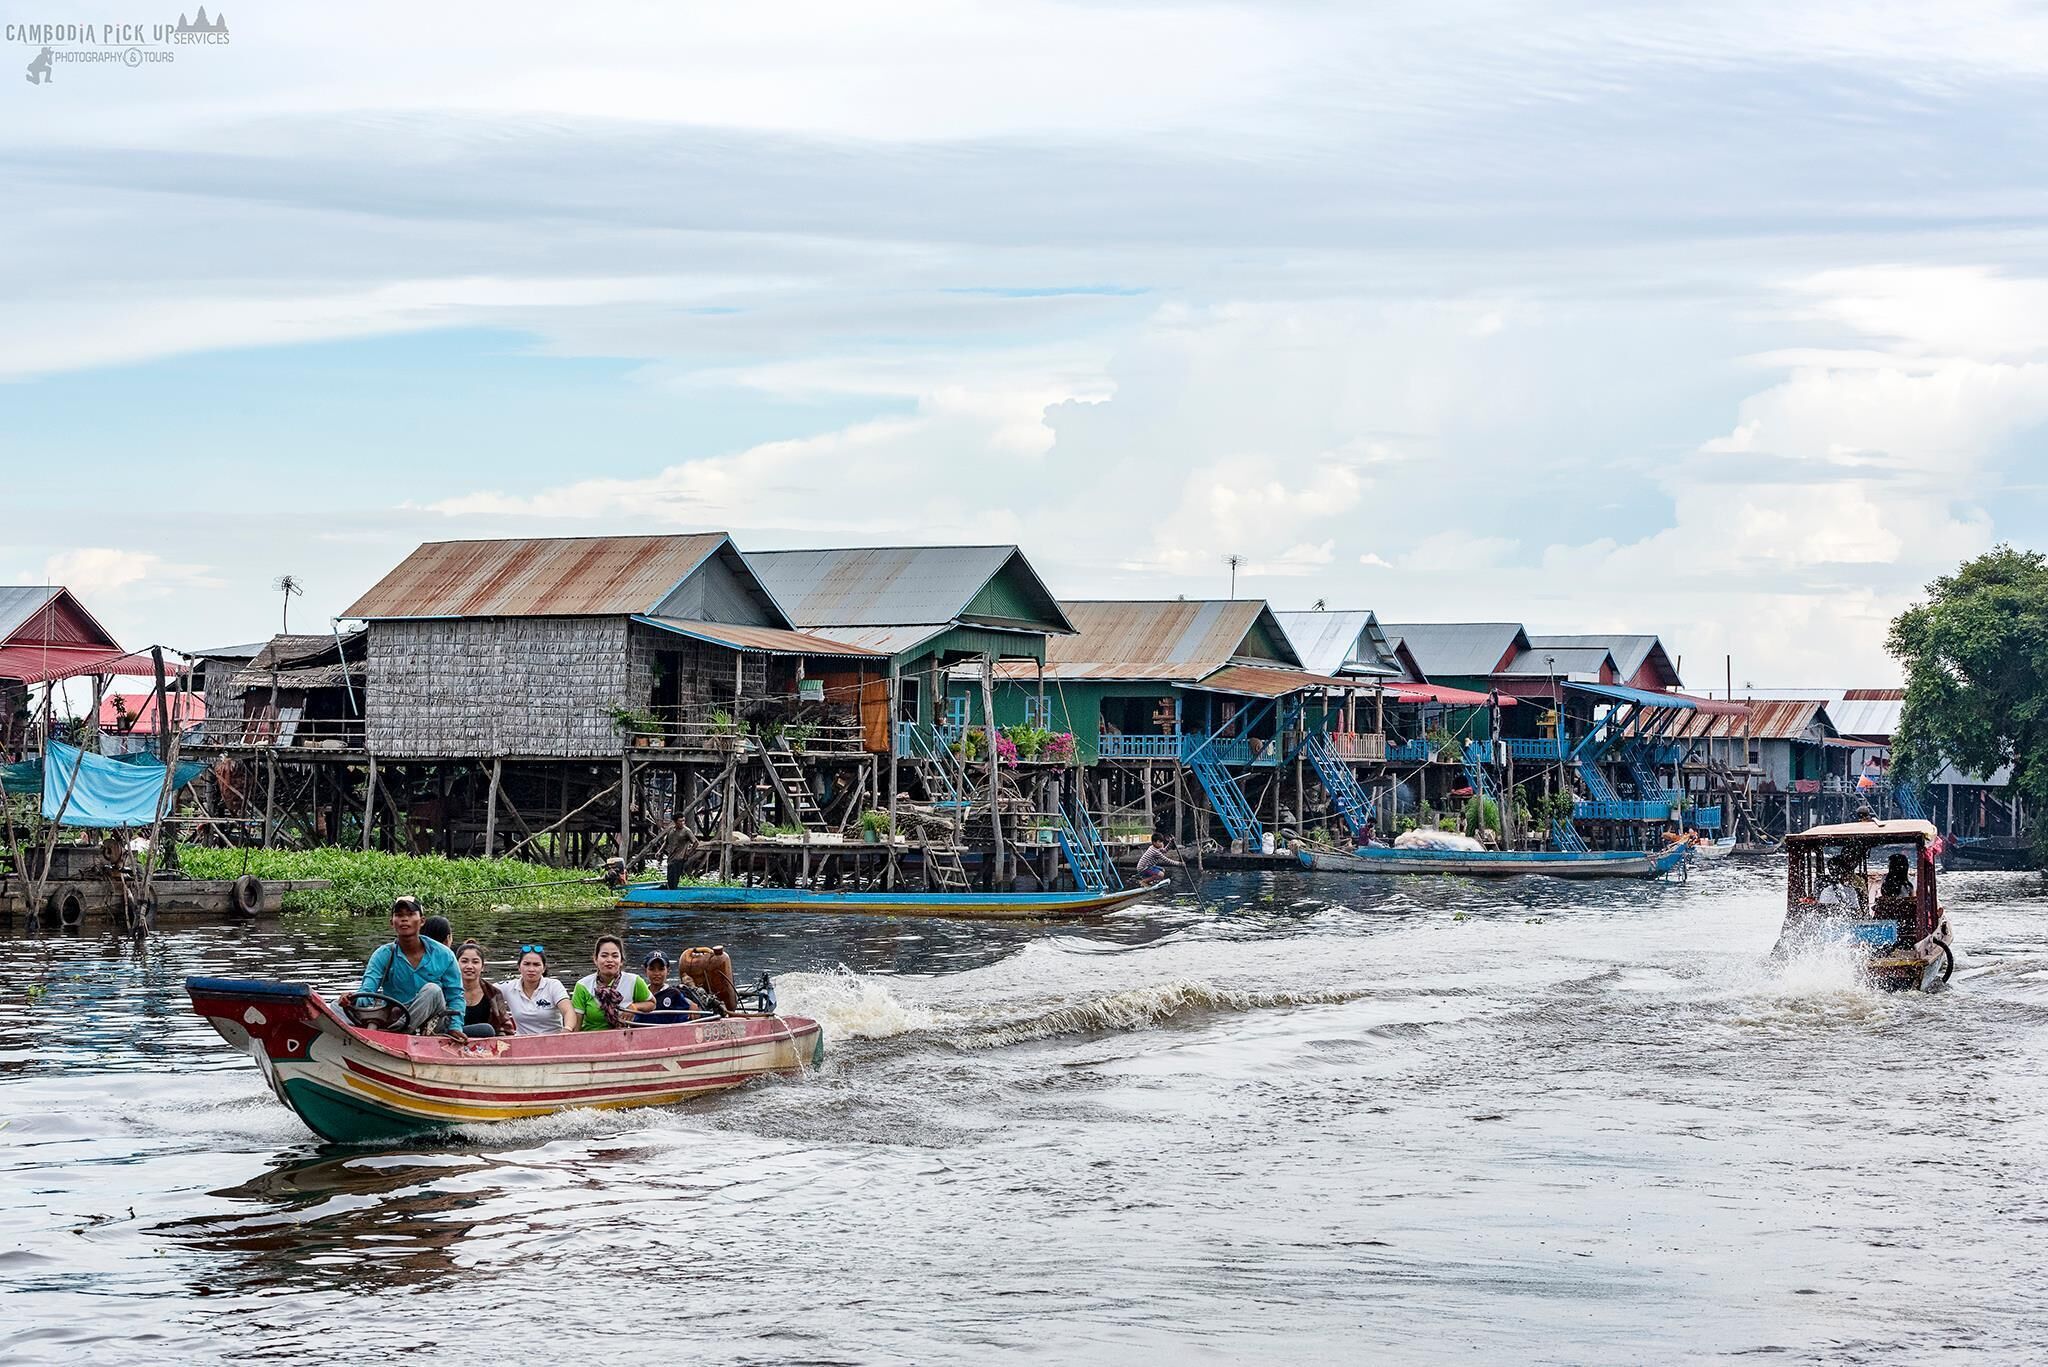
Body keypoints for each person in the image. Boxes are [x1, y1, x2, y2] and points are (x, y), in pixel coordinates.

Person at [359, 896, 465, 1035]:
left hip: (433, 1024)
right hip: (394, 1017)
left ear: (422, 921)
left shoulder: (444, 955)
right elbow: (367, 990)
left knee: (433, 990)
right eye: (399, 915)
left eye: (410, 914)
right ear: (392, 922)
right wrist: (350, 1001)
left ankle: (401, 1031)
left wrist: (455, 1027)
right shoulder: (382, 955)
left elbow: (456, 996)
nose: (404, 919)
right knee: (337, 1006)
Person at [571, 934, 653, 1029]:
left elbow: (651, 1004)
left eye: (615, 956)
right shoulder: (583, 985)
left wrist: (634, 1007)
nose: (609, 960)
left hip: (624, 1038)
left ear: (621, 960)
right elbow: (576, 1026)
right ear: (595, 959)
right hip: (591, 1038)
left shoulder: (634, 981)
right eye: (604, 956)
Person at [499, 944, 577, 1035]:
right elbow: (482, 989)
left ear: (544, 968)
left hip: (553, 1042)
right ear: (519, 967)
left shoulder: (554, 985)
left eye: (536, 965)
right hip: (521, 1043)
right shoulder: (508, 987)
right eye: (526, 964)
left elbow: (568, 1011)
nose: (531, 969)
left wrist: (567, 1029)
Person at [455, 940, 517, 1037]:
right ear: (456, 964)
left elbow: (506, 1028)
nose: (469, 966)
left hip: (486, 1047)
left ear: (483, 967)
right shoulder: (448, 990)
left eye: (475, 962)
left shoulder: (493, 993)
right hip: (451, 1041)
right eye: (464, 961)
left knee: (487, 1030)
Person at [639, 952, 705, 1024]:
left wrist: (692, 1005)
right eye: (652, 969)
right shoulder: (641, 993)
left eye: (661, 969)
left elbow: (691, 1013)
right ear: (645, 970)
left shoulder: (674, 993)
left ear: (668, 971)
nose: (657, 973)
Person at [662, 813, 700, 890]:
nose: (682, 823)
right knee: (670, 878)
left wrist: (689, 853)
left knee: (674, 879)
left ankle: (673, 894)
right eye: (680, 821)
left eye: (683, 821)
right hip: (671, 858)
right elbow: (666, 842)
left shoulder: (686, 831)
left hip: (679, 858)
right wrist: (659, 851)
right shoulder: (671, 830)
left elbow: (696, 843)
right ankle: (670, 892)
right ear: (675, 822)